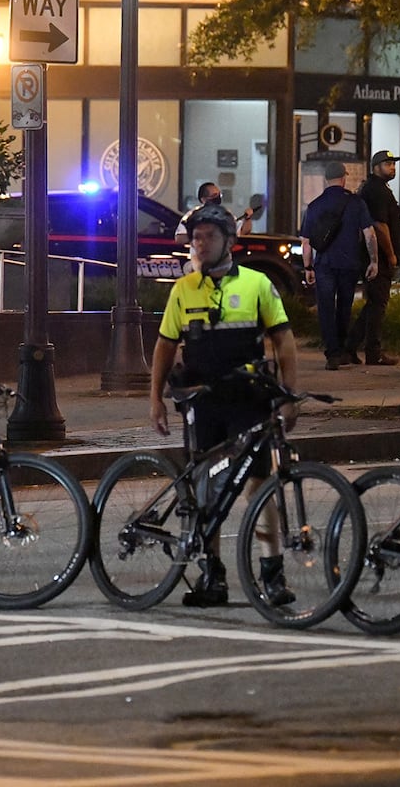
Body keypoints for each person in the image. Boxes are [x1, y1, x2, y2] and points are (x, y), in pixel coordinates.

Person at [149, 203, 300, 609]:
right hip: (202, 403)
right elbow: (165, 345)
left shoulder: (255, 284)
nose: (200, 243)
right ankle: (211, 578)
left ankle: (272, 577)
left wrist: (288, 393)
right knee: (205, 492)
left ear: (229, 242)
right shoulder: (184, 289)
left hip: (248, 399)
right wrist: (155, 399)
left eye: (208, 237)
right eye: (196, 237)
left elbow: (284, 340)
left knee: (260, 487)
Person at [299, 162, 378, 371]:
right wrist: (374, 261)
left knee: (325, 308)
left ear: (326, 179)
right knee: (344, 306)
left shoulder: (314, 205)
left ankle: (332, 353)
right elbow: (370, 234)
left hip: (324, 264)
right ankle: (342, 349)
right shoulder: (356, 203)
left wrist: (308, 268)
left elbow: (306, 242)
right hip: (349, 263)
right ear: (343, 178)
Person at [345, 149, 400, 366]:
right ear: (376, 167)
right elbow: (379, 225)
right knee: (379, 303)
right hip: (376, 256)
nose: (392, 167)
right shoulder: (377, 190)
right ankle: (373, 352)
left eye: (394, 164)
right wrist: (391, 254)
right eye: (388, 164)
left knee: (375, 302)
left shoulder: (376, 188)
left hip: (371, 255)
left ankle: (350, 347)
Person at [176, 181, 254, 241]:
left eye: (219, 195)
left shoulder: (225, 214)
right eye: (214, 196)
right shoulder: (192, 215)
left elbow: (243, 232)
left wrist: (247, 218)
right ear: (203, 199)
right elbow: (179, 238)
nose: (218, 198)